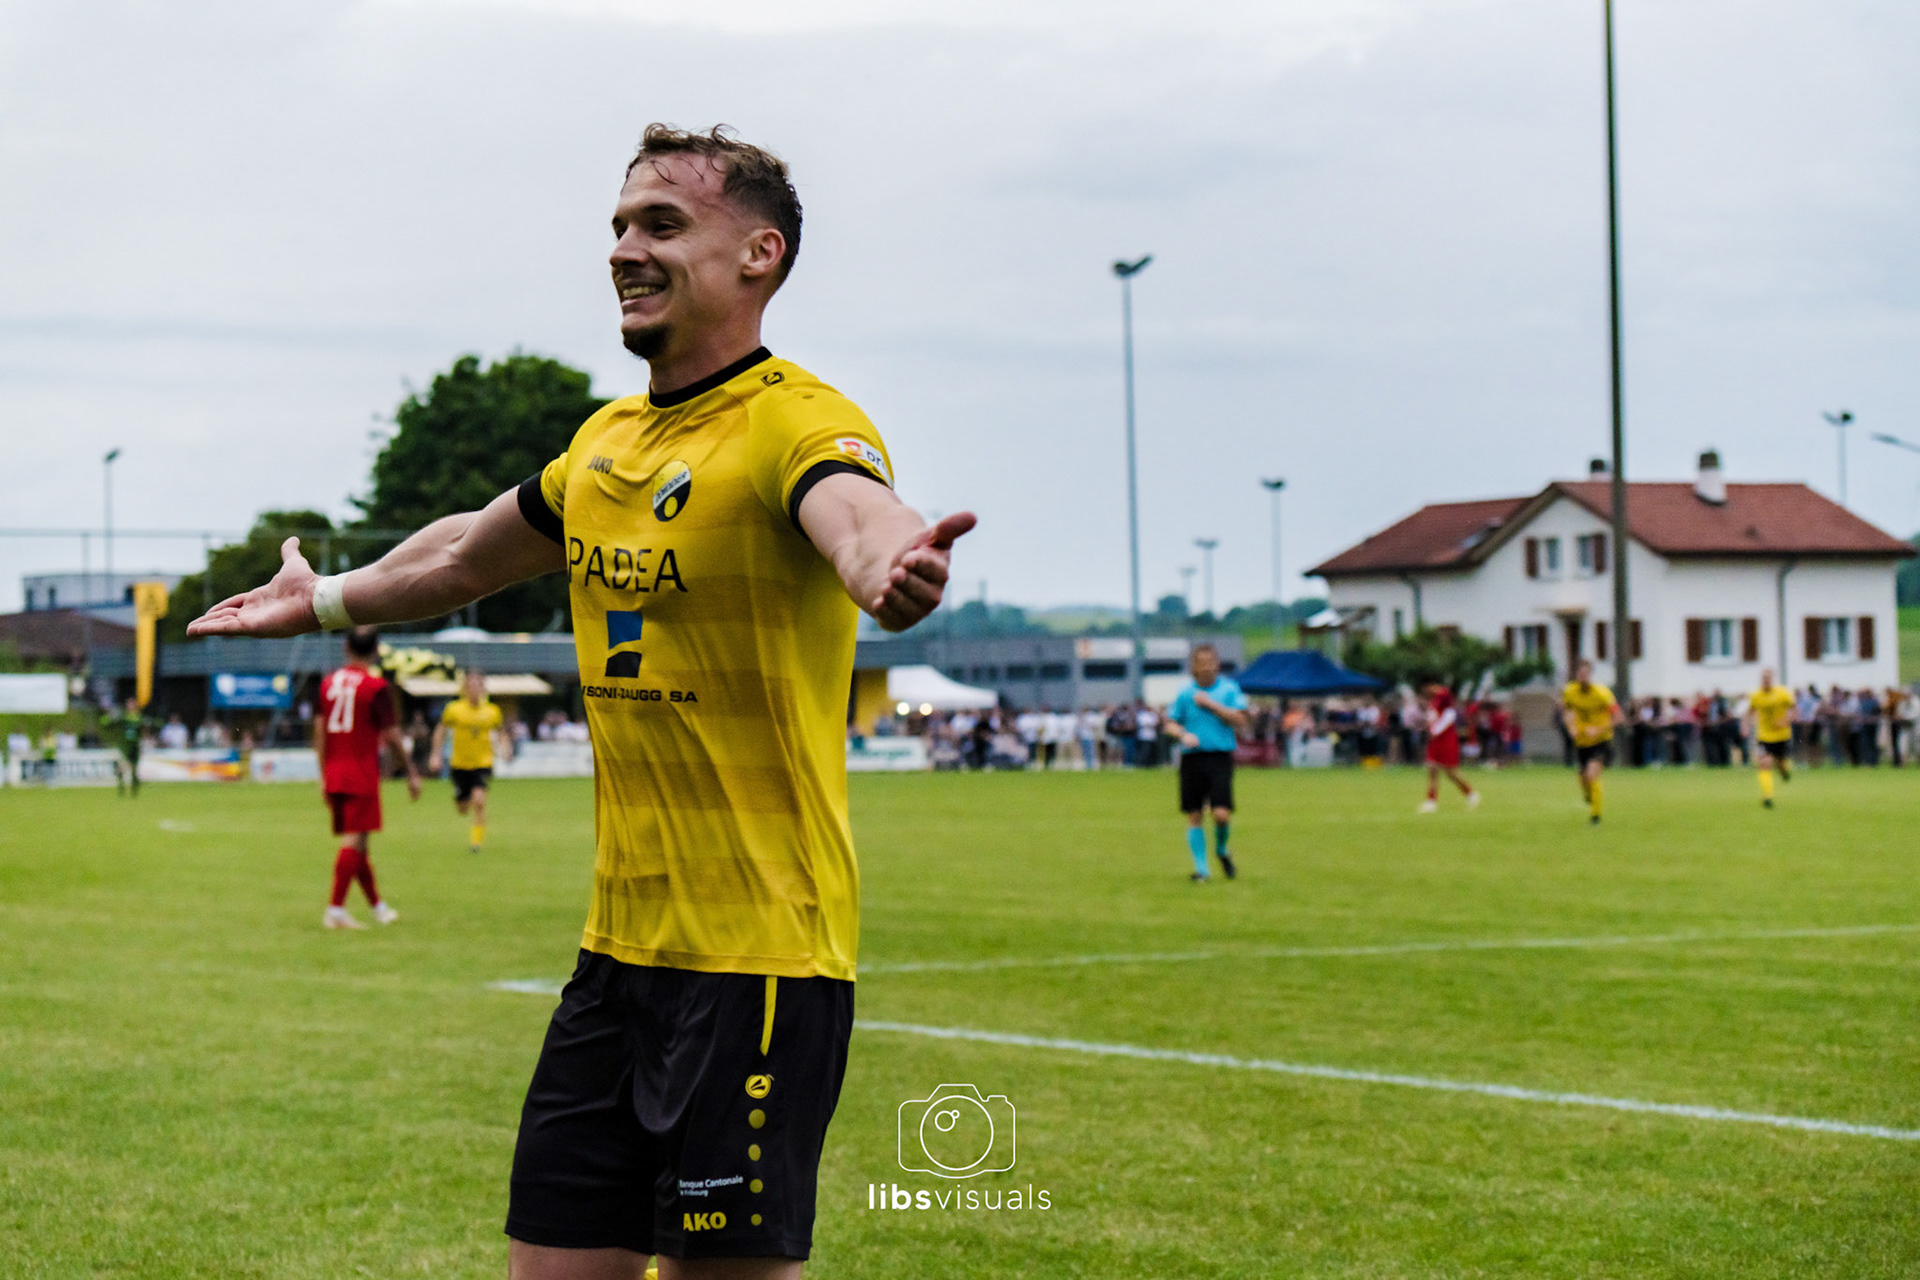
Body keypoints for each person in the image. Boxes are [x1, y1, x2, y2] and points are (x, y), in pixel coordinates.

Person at [188, 124, 971, 1280]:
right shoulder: (607, 440)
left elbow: (857, 508)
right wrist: (328, 595)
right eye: (617, 225)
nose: (623, 248)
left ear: (760, 254)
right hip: (615, 962)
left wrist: (886, 567)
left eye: (661, 224)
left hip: (757, 963)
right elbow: (463, 553)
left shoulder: (795, 421)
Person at [315, 627, 421, 928]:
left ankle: (379, 908)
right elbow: (391, 734)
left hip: (334, 770)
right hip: (360, 771)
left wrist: (323, 773)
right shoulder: (375, 687)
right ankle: (335, 910)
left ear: (346, 647)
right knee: (354, 841)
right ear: (375, 651)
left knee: (360, 845)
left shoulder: (327, 684)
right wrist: (411, 771)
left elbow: (320, 731)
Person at [1166, 643, 1249, 881]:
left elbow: (1240, 719)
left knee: (1221, 814)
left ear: (1216, 664)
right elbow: (1170, 723)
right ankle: (1202, 870)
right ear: (1194, 666)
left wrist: (1211, 705)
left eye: (1210, 662)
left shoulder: (1229, 689)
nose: (1206, 668)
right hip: (1192, 758)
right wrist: (1183, 735)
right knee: (1194, 814)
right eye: (1200, 663)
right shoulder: (1185, 693)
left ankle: (1222, 849)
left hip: (1219, 757)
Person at [433, 669, 512, 851]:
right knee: (462, 807)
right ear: (465, 689)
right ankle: (462, 798)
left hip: (483, 763)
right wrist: (436, 754)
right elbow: (440, 731)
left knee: (479, 801)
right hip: (460, 764)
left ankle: (476, 843)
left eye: (478, 685)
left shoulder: (492, 711)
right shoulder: (454, 710)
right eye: (470, 686)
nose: (474, 689)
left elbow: (501, 733)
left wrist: (505, 748)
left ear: (483, 688)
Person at [1562, 659, 1622, 825]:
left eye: (1586, 674)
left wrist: (1599, 729)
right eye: (1580, 674)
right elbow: (1567, 711)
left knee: (1592, 775)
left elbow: (1618, 717)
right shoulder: (1570, 691)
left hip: (1601, 741)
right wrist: (1571, 726)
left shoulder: (1602, 693)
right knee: (1583, 780)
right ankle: (1590, 798)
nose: (1583, 677)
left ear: (1591, 675)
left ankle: (1595, 816)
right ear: (1576, 675)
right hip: (1582, 742)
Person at [1417, 685, 1479, 813]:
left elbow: (1443, 724)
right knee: (1432, 768)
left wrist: (1433, 731)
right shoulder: (1433, 706)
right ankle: (1431, 801)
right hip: (1435, 742)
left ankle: (1470, 793)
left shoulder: (1448, 710)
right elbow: (1431, 721)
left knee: (1451, 773)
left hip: (1446, 742)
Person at [1745, 668, 1795, 808]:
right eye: (1763, 678)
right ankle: (1767, 797)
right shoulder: (1756, 696)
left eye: (1768, 678)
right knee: (1765, 763)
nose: (1765, 681)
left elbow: (1794, 710)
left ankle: (1784, 772)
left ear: (1772, 679)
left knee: (1780, 764)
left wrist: (1786, 721)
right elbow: (1750, 712)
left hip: (1782, 735)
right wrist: (1745, 726)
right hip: (1764, 736)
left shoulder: (1782, 693)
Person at [103, 697, 150, 797]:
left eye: (133, 704)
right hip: (124, 747)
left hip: (135, 747)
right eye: (130, 704)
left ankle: (134, 791)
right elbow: (105, 724)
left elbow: (144, 731)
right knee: (121, 768)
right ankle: (121, 787)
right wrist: (108, 717)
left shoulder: (139, 718)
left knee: (134, 769)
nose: (131, 706)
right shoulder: (122, 717)